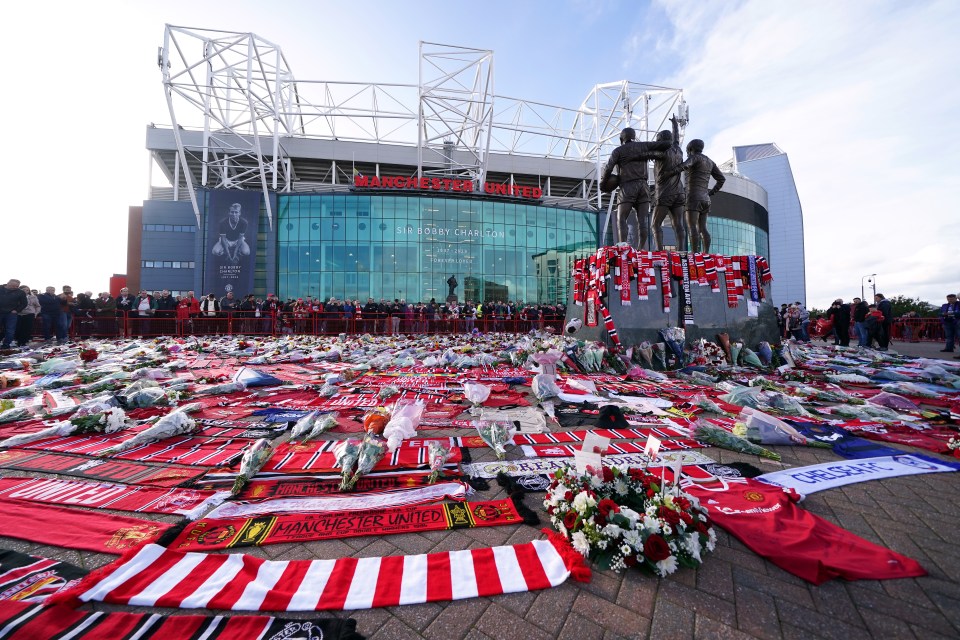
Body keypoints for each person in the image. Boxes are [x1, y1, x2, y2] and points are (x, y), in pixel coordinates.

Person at [599, 127, 670, 249]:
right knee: (642, 221)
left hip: (627, 186)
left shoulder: (618, 151)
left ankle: (622, 247)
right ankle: (640, 248)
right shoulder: (643, 146)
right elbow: (667, 144)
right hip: (643, 187)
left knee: (621, 218)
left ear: (622, 138)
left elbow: (608, 168)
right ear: (634, 136)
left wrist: (603, 184)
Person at [665, 139, 725, 253]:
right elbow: (721, 179)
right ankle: (706, 253)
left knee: (692, 227)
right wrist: (711, 193)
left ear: (691, 149)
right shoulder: (710, 161)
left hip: (693, 198)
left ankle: (694, 254)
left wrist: (669, 172)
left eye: (688, 151)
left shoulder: (694, 157)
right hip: (706, 199)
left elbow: (683, 166)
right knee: (703, 228)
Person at [652, 116, 687, 251]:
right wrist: (675, 125)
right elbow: (676, 139)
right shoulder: (678, 149)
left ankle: (659, 251)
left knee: (655, 224)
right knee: (678, 224)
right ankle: (682, 250)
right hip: (679, 192)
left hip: (665, 192)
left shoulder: (660, 152)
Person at [0, 280, 28, 349]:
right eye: (13, 286)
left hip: (11, 313)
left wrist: (17, 310)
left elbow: (24, 303)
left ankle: (6, 345)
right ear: (8, 283)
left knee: (10, 330)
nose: (15, 287)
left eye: (17, 286)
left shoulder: (20, 292)